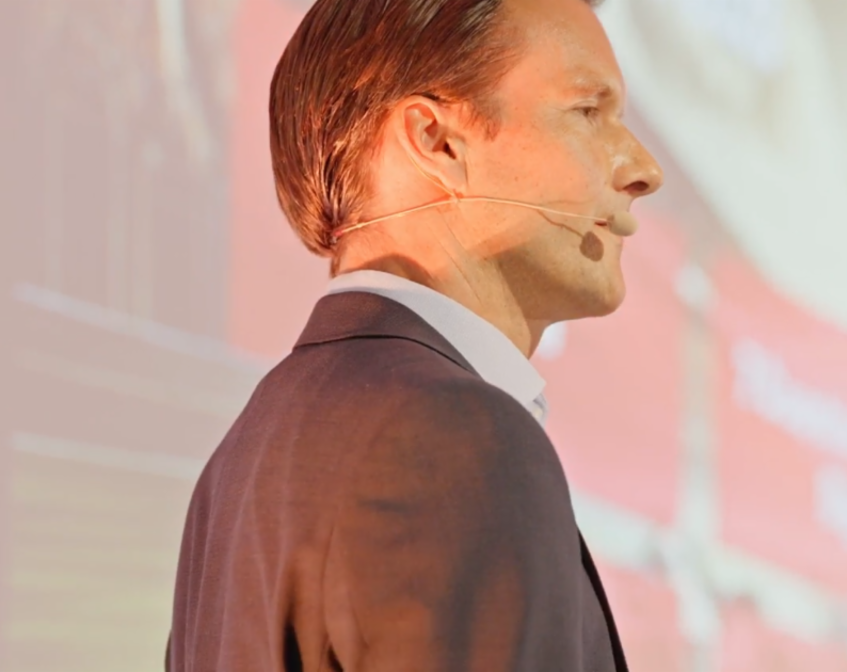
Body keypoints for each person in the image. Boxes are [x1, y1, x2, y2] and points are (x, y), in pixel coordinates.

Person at [168, 0, 663, 668]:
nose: (643, 169)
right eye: (588, 112)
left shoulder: (242, 460)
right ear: (437, 143)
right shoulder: (459, 436)